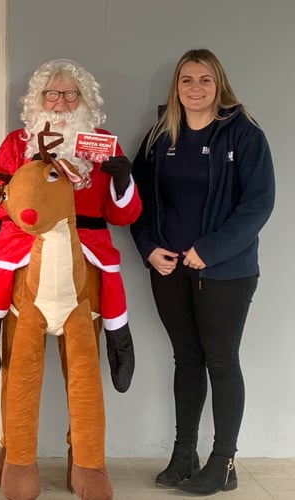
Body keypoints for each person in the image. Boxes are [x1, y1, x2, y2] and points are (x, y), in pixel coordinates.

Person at [130, 48, 275, 495]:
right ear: (176, 86)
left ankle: (224, 462)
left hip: (225, 273)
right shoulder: (160, 135)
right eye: (187, 80)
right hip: (168, 269)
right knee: (186, 359)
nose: (195, 88)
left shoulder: (244, 134)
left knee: (221, 360)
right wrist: (149, 248)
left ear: (219, 84)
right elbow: (137, 201)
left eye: (204, 80)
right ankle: (184, 453)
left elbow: (258, 205)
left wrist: (209, 251)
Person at [0, 59, 142, 393]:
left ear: (85, 100)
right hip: (26, 246)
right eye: (52, 93)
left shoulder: (104, 142)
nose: (62, 102)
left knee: (83, 372)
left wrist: (123, 180)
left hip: (85, 246)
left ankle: (119, 343)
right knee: (19, 371)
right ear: (39, 98)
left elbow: (124, 215)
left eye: (71, 94)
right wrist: (28, 182)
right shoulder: (16, 143)